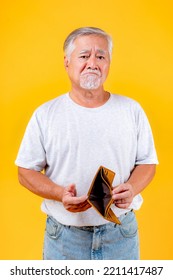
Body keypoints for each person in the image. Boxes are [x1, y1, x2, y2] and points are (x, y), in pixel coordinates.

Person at [15, 27, 158, 260]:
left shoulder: (132, 110)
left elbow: (147, 163)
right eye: (84, 56)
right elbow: (25, 172)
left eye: (100, 56)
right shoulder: (45, 114)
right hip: (64, 237)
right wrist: (59, 193)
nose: (93, 63)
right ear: (67, 62)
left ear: (108, 63)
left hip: (120, 234)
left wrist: (133, 187)